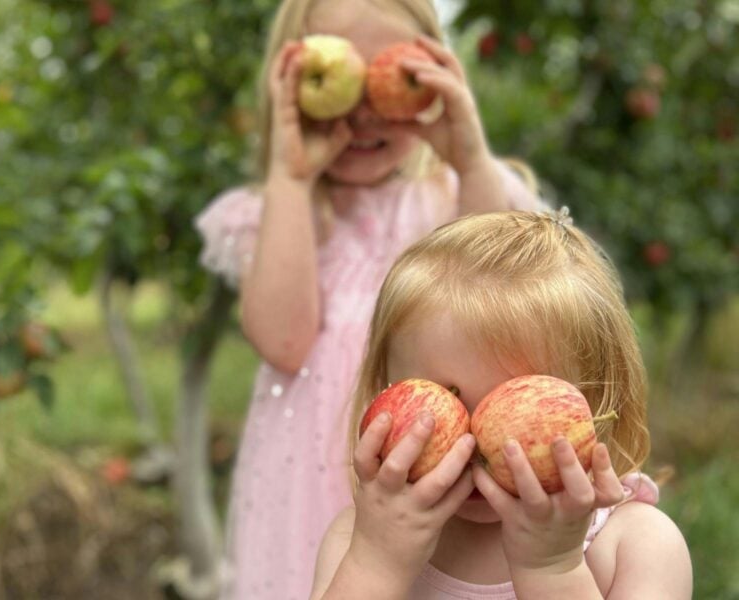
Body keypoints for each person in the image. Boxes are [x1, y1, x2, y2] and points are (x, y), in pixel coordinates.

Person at [195, 0, 545, 597]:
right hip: (305, 481)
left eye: (388, 79)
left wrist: (468, 155)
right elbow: (284, 341)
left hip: (434, 478)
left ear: (435, 77)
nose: (361, 112)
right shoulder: (279, 213)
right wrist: (290, 176)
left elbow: (506, 301)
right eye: (340, 81)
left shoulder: (455, 198)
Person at [310, 210, 693, 599]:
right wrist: (377, 564)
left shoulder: (635, 546)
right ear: (384, 390)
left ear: (596, 403)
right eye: (446, 400)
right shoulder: (362, 538)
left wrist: (552, 568)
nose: (475, 446)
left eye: (515, 410)